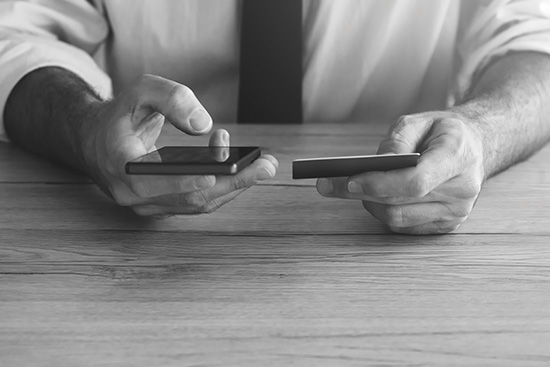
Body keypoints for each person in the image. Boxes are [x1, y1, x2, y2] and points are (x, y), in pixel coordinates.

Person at [1, 0, 550, 234]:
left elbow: (534, 39)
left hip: (380, 254)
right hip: (144, 249)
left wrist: (480, 130)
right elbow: (14, 32)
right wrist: (85, 126)